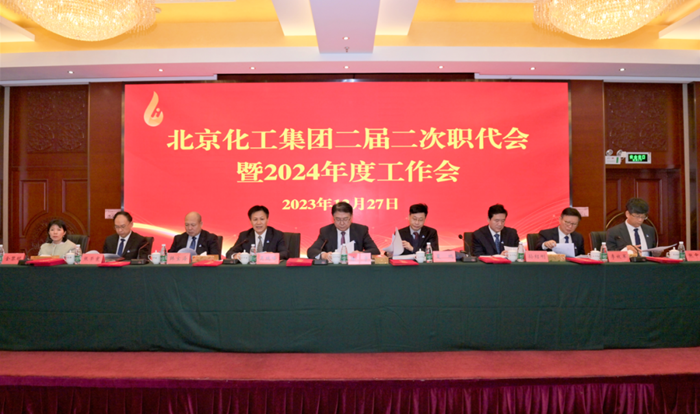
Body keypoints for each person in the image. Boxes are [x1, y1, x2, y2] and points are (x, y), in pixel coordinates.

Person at [307, 201, 381, 260]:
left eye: (345, 219)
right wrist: (324, 255)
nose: (342, 223)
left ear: (351, 217)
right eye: (338, 219)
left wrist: (361, 254)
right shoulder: (326, 231)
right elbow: (311, 251)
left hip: (355, 270)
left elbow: (375, 251)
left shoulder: (361, 230)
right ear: (333, 218)